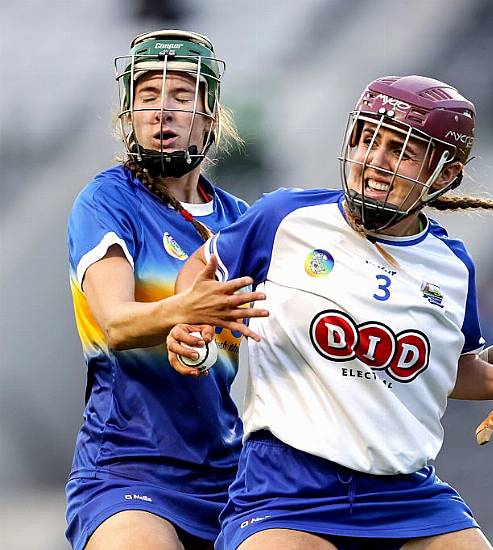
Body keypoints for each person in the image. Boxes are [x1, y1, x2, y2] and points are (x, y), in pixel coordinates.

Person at [168, 75, 493, 550]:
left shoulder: (452, 267)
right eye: (367, 138)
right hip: (287, 488)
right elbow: (200, 268)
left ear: (443, 173)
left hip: (405, 495)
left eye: (401, 150)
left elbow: (448, 370)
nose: (374, 161)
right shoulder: (286, 218)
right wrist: (189, 319)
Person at [65, 30, 268, 550]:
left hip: (229, 474)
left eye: (181, 97)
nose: (162, 111)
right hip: (126, 468)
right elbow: (115, 322)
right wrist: (188, 307)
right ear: (128, 117)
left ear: (210, 118)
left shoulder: (240, 222)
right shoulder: (107, 200)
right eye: (147, 96)